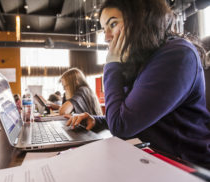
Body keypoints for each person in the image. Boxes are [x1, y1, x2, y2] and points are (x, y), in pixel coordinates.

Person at [67, 0, 210, 168]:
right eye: (104, 29)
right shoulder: (146, 59)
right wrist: (99, 121)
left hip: (188, 168)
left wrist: (112, 64)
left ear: (141, 19)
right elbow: (139, 115)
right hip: (155, 161)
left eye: (112, 24)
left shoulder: (177, 55)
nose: (106, 37)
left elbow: (121, 127)